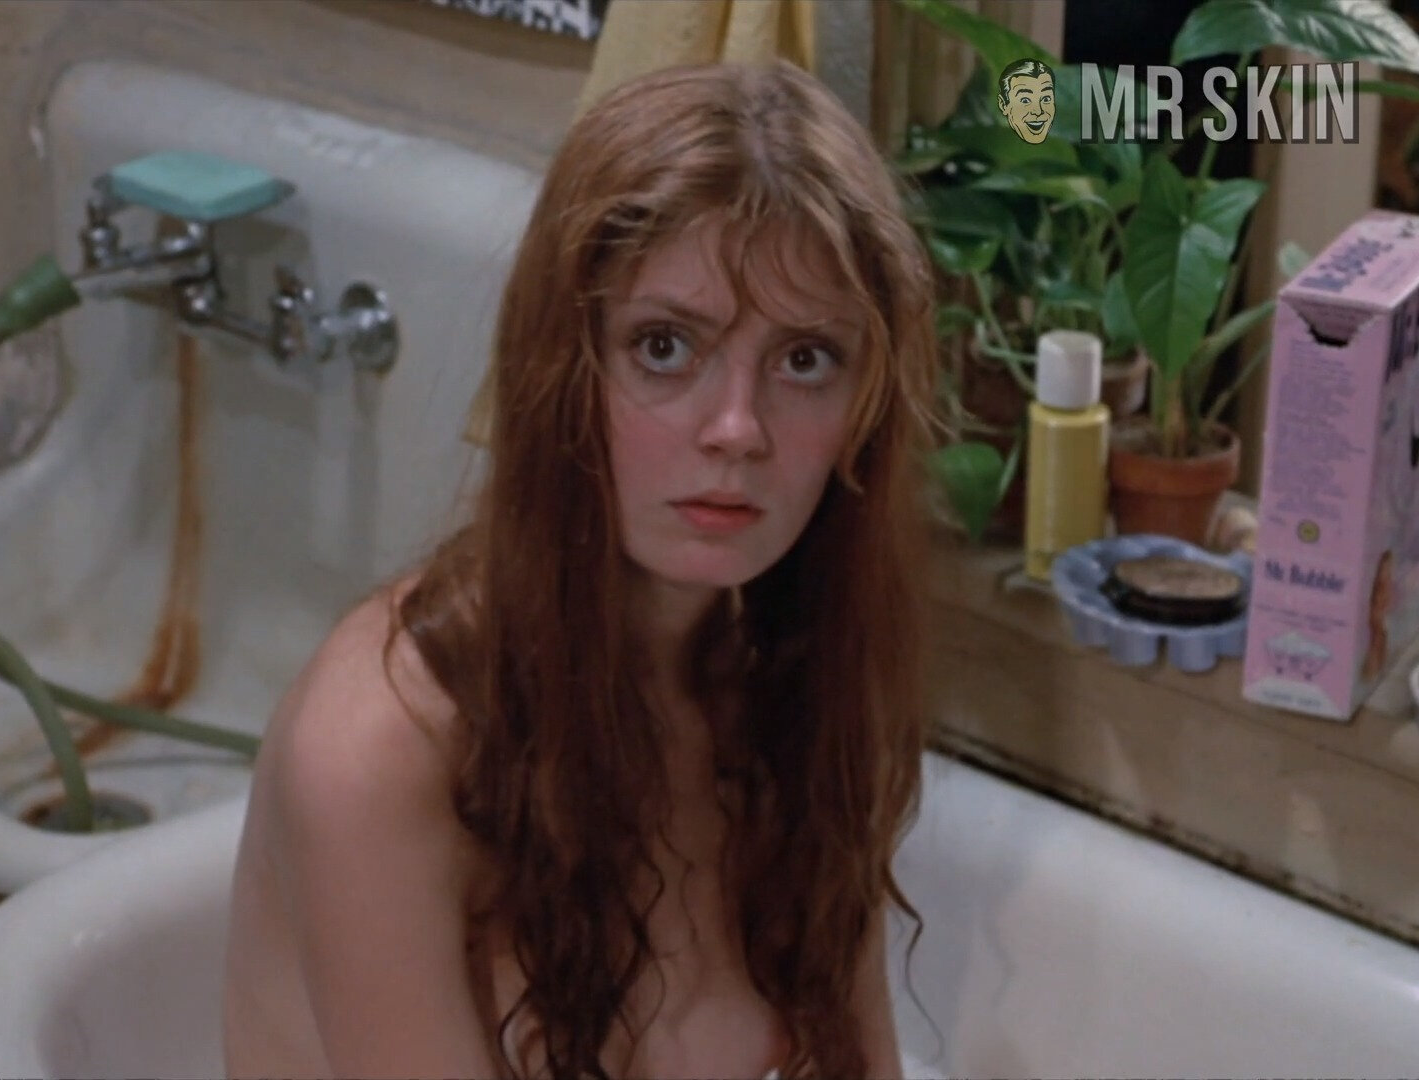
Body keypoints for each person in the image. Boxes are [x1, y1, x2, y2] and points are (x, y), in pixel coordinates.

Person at [222, 58, 936, 1080]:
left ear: (863, 411)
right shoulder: (385, 741)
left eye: (804, 360)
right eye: (665, 347)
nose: (738, 428)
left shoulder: (795, 687)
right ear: (563, 368)